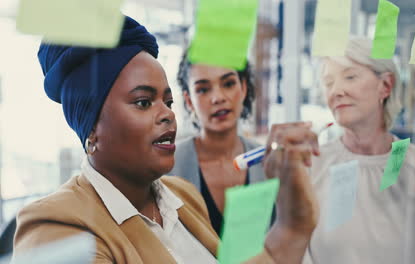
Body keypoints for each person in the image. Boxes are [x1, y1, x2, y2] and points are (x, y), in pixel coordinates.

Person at [13, 16, 320, 264]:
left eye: (168, 102)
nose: (167, 116)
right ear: (92, 128)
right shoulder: (57, 228)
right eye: (144, 102)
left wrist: (295, 218)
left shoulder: (182, 197)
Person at [302, 37, 415, 264]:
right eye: (329, 82)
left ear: (386, 86)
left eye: (350, 77)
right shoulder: (313, 165)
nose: (337, 91)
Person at [168, 50, 266, 235]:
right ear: (189, 101)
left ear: (243, 88)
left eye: (228, 84)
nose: (218, 98)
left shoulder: (267, 160)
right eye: (203, 89)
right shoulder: (168, 167)